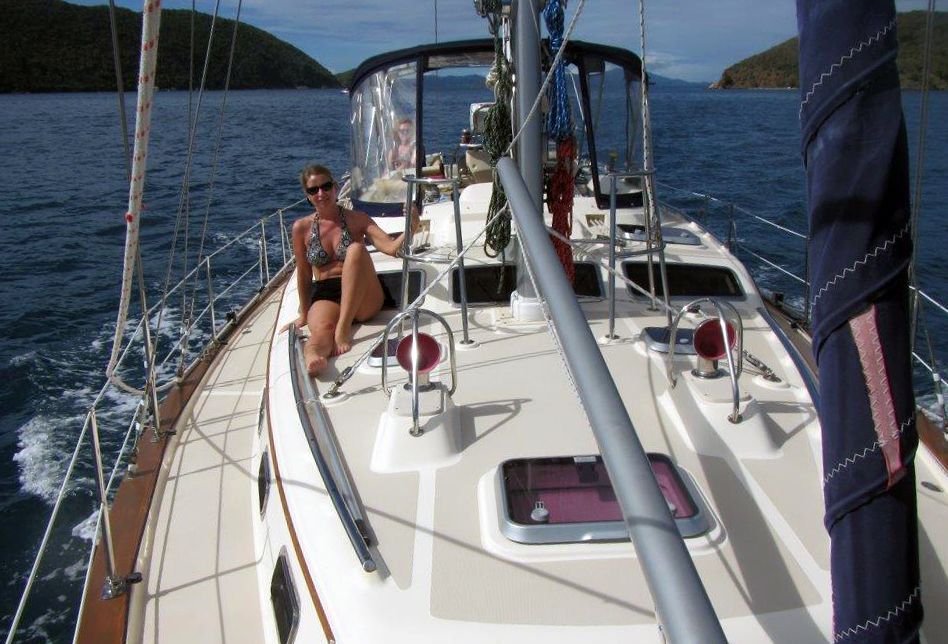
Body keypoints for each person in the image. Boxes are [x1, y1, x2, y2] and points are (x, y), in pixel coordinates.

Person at [291, 164, 418, 375]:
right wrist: (304, 313)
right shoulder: (301, 228)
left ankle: (343, 328)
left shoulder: (358, 220)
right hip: (326, 293)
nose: (321, 193)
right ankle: (313, 355)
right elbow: (304, 273)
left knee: (356, 249)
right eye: (314, 190)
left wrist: (410, 229)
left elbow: (390, 247)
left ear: (335, 187)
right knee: (321, 331)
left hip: (363, 295)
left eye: (326, 186)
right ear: (307, 195)